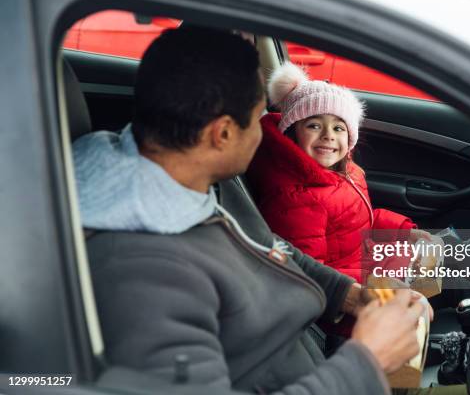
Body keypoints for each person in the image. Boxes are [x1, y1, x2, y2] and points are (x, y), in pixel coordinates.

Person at [74, 26, 430, 395]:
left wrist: (351, 295)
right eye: (260, 118)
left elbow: (265, 245)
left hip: (311, 350)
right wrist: (368, 361)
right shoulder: (142, 276)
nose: (266, 134)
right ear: (223, 134)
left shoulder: (197, 180)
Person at [247, 63, 433, 285]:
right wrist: (375, 283)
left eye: (338, 128)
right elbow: (310, 274)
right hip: (354, 291)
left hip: (370, 262)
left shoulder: (346, 173)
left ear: (349, 138)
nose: (328, 135)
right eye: (314, 126)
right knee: (457, 281)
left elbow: (360, 223)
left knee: (457, 265)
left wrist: (405, 232)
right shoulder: (296, 199)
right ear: (292, 134)